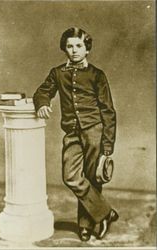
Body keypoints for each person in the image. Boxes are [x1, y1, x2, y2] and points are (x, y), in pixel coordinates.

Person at [33, 27, 119, 241]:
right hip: (71, 132)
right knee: (71, 176)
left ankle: (85, 226)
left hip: (95, 131)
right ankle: (106, 212)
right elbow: (43, 92)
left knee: (92, 178)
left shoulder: (97, 75)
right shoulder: (58, 73)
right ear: (65, 48)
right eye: (69, 46)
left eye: (79, 46)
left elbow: (108, 111)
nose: (74, 51)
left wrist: (107, 147)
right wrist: (42, 103)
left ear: (87, 49)